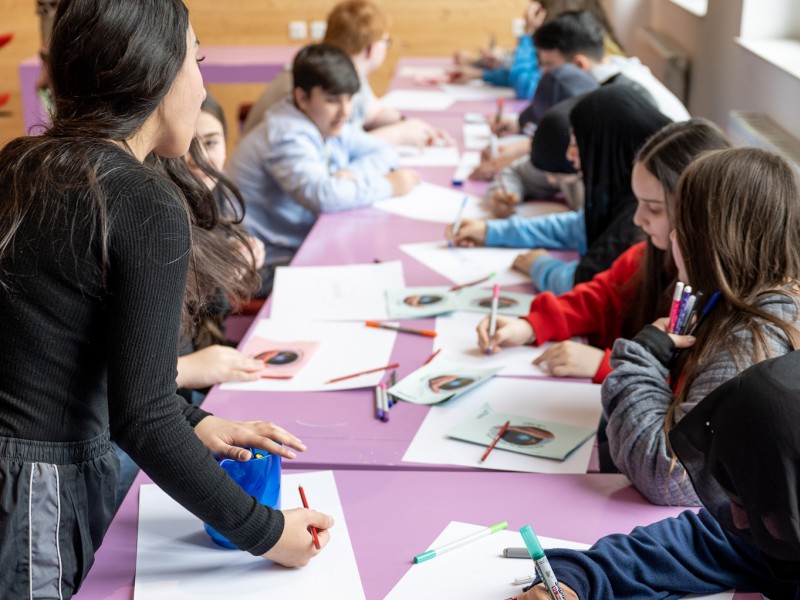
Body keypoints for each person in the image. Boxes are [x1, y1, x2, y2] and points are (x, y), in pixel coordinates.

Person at [0, 1, 332, 596]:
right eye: (197, 60)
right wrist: (270, 532)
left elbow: (81, 362)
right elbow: (142, 416)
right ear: (158, 73)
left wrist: (198, 422)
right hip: (36, 491)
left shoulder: (24, 162)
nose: (202, 81)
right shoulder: (142, 201)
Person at [600, 147, 800, 507]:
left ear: (712, 239)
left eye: (682, 227)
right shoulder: (752, 304)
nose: (673, 239)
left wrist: (640, 358)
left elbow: (668, 474)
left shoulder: (750, 338)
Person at [517, 349, 800, 599]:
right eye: (737, 501)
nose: (738, 520)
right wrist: (577, 578)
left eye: (754, 506)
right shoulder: (776, 528)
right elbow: (693, 542)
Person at [477, 119, 730, 384]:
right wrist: (531, 325)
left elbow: (687, 393)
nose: (637, 219)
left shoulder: (723, 312)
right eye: (638, 203)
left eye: (653, 208)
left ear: (699, 215)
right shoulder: (646, 255)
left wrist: (606, 365)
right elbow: (601, 297)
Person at [228, 43, 418, 298]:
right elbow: (325, 197)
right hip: (264, 266)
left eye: (350, 98)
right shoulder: (286, 134)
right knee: (366, 284)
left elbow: (384, 151)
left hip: (301, 242)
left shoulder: (324, 119)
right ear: (302, 98)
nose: (345, 111)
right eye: (332, 100)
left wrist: (350, 172)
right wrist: (390, 186)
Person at [449, 86, 670, 295]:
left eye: (578, 145)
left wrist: (539, 265)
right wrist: (490, 232)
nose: (570, 156)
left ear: (605, 146)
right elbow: (576, 226)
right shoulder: (623, 186)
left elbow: (585, 284)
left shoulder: (642, 214)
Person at [242, 0, 449, 147]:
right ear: (371, 48)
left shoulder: (349, 72)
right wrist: (397, 135)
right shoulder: (316, 81)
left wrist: (411, 125)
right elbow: (331, 148)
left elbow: (373, 112)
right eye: (386, 42)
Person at [533, 10, 690, 122]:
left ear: (579, 64)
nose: (544, 72)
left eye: (549, 65)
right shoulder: (615, 64)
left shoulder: (611, 95)